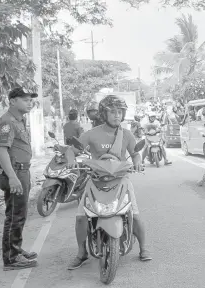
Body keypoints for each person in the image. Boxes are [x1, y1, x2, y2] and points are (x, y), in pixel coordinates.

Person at [67, 95, 152, 270]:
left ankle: (144, 248)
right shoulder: (91, 134)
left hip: (121, 179)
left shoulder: (126, 134)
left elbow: (135, 153)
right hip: (96, 180)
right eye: (112, 112)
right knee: (81, 217)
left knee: (134, 214)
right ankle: (81, 252)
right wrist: (70, 159)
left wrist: (137, 161)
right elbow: (72, 150)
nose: (117, 115)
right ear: (104, 114)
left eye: (120, 112)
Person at [0, 87, 38, 270]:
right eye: (25, 99)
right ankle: (11, 258)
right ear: (12, 101)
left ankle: (16, 250)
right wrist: (13, 177)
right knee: (14, 216)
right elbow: (2, 150)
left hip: (21, 171)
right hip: (13, 172)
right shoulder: (7, 122)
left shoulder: (19, 120)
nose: (30, 102)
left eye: (31, 99)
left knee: (19, 214)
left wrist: (26, 173)